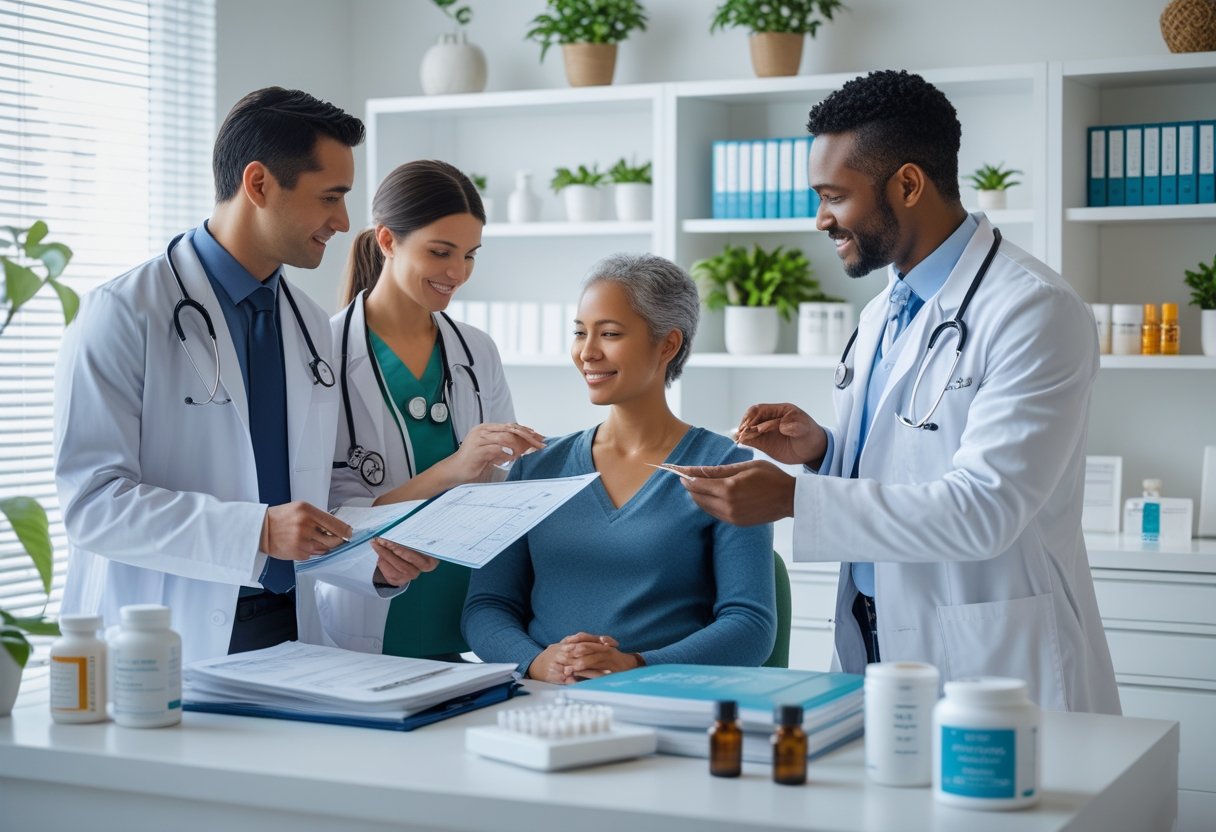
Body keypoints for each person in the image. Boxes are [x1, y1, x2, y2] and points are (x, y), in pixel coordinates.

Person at [676, 70, 1120, 714]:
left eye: (834, 196)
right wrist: (825, 452)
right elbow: (909, 459)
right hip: (878, 634)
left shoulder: (1032, 310)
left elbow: (983, 510)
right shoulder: (889, 306)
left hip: (986, 653)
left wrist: (798, 498)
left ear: (907, 184)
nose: (821, 218)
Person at [53, 87, 434, 665]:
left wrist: (374, 560)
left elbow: (312, 497)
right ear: (258, 184)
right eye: (330, 196)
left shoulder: (307, 323)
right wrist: (256, 532)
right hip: (169, 636)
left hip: (291, 631)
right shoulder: (126, 311)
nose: (343, 220)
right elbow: (94, 506)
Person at [462, 254, 776, 683]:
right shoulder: (536, 466)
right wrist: (535, 662)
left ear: (668, 344)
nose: (587, 353)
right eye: (579, 333)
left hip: (666, 697)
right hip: (541, 698)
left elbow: (751, 628)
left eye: (609, 334)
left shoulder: (724, 466)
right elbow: (487, 607)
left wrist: (635, 665)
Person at [318, 159, 546, 658]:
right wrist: (456, 468)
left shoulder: (476, 350)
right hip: (377, 607)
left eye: (469, 255)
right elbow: (326, 518)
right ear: (387, 241)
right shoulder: (321, 355)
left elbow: (498, 485)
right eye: (440, 252)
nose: (457, 273)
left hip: (474, 606)